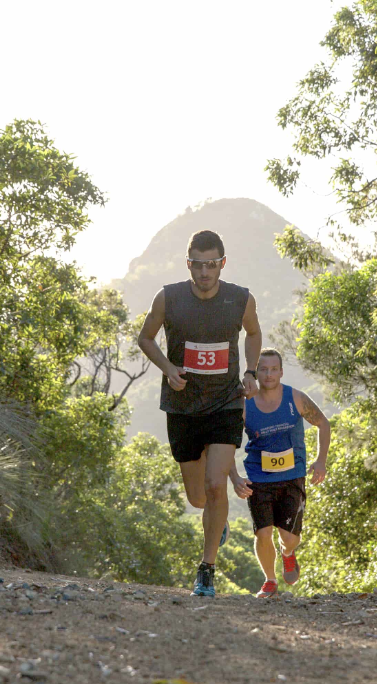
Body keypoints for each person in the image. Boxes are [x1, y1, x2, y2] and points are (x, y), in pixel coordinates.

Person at [137, 229, 262, 597]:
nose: (205, 272)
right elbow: (145, 337)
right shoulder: (168, 297)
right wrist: (167, 368)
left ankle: (206, 569)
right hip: (182, 406)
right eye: (197, 264)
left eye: (211, 264)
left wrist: (251, 372)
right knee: (198, 497)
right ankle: (215, 522)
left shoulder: (241, 299)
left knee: (214, 483)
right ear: (187, 263)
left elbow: (253, 335)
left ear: (222, 263)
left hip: (226, 401)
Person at [230, 348, 330, 598]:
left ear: (282, 372)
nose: (269, 374)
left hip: (292, 476)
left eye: (274, 369)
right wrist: (235, 477)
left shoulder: (295, 398)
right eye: (263, 369)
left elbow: (323, 423)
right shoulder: (244, 405)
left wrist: (321, 461)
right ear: (256, 372)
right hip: (258, 477)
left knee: (289, 538)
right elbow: (225, 443)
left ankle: (288, 554)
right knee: (262, 532)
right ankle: (270, 581)